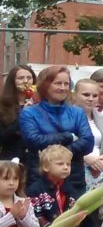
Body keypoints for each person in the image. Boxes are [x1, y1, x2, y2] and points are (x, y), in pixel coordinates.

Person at [19, 65, 94, 201]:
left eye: (66, 84)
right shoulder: (30, 113)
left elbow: (88, 142)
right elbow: (33, 140)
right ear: (45, 85)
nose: (63, 88)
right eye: (58, 83)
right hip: (41, 177)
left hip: (73, 177)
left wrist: (61, 153)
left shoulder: (77, 112)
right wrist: (68, 136)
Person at [72, 79, 103, 224]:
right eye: (86, 95)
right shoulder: (66, 118)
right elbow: (60, 146)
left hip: (101, 171)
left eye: (95, 95)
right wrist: (84, 157)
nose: (91, 99)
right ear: (75, 95)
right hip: (75, 170)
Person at [1, 65, 37, 163]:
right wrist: (23, 115)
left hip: (35, 160)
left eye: (29, 78)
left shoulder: (39, 103)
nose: (26, 81)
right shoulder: (3, 106)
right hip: (11, 160)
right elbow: (3, 137)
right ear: (12, 82)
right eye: (21, 78)